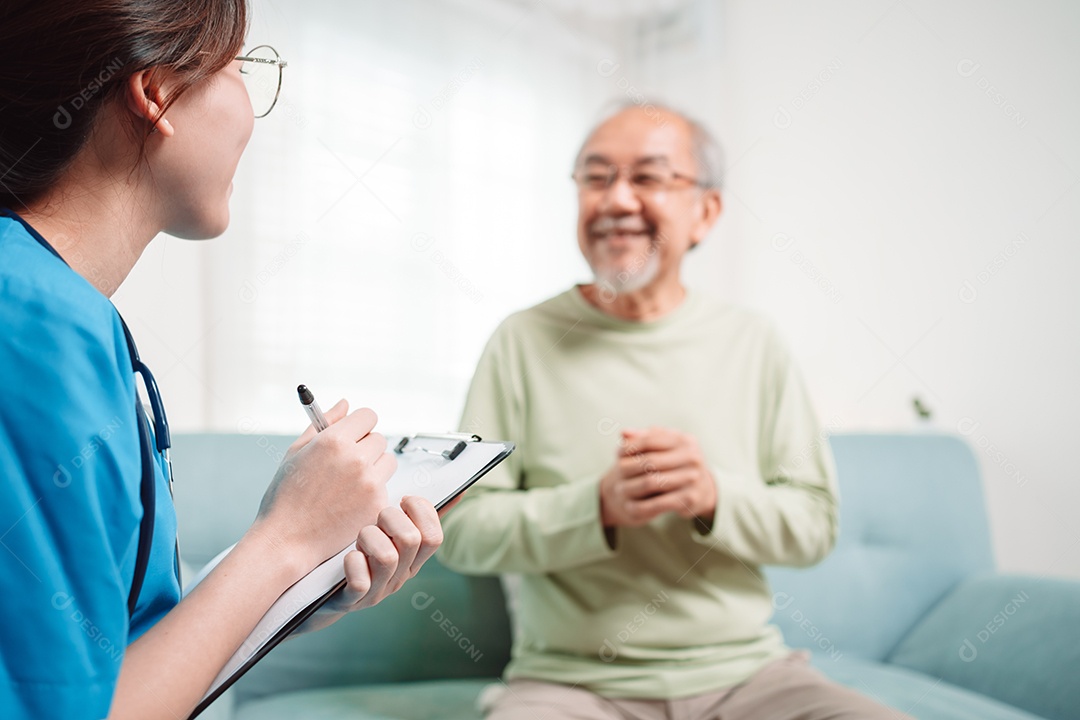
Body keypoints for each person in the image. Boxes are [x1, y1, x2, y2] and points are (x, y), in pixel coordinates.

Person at [0, 2, 445, 718]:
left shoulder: (68, 315)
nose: (252, 109)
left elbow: (117, 659)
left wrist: (298, 575)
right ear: (158, 93)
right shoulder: (33, 317)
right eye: (241, 67)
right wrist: (283, 541)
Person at [439, 103, 910, 719]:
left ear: (705, 212)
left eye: (650, 177)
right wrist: (597, 507)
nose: (617, 200)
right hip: (570, 685)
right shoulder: (521, 340)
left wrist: (714, 495)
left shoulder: (753, 342)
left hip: (749, 678)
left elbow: (814, 524)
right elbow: (463, 532)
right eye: (596, 176)